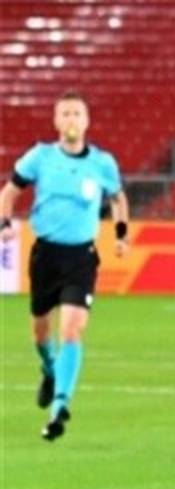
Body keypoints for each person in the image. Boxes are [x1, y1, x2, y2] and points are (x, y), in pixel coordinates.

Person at [0, 90, 128, 441]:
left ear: (87, 121)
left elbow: (118, 198)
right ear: (57, 121)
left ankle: (59, 407)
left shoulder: (102, 163)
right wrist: (4, 223)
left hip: (81, 258)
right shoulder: (40, 157)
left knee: (71, 330)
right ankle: (49, 369)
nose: (72, 119)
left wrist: (121, 234)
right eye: (66, 114)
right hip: (45, 255)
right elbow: (9, 191)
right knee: (41, 332)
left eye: (77, 114)